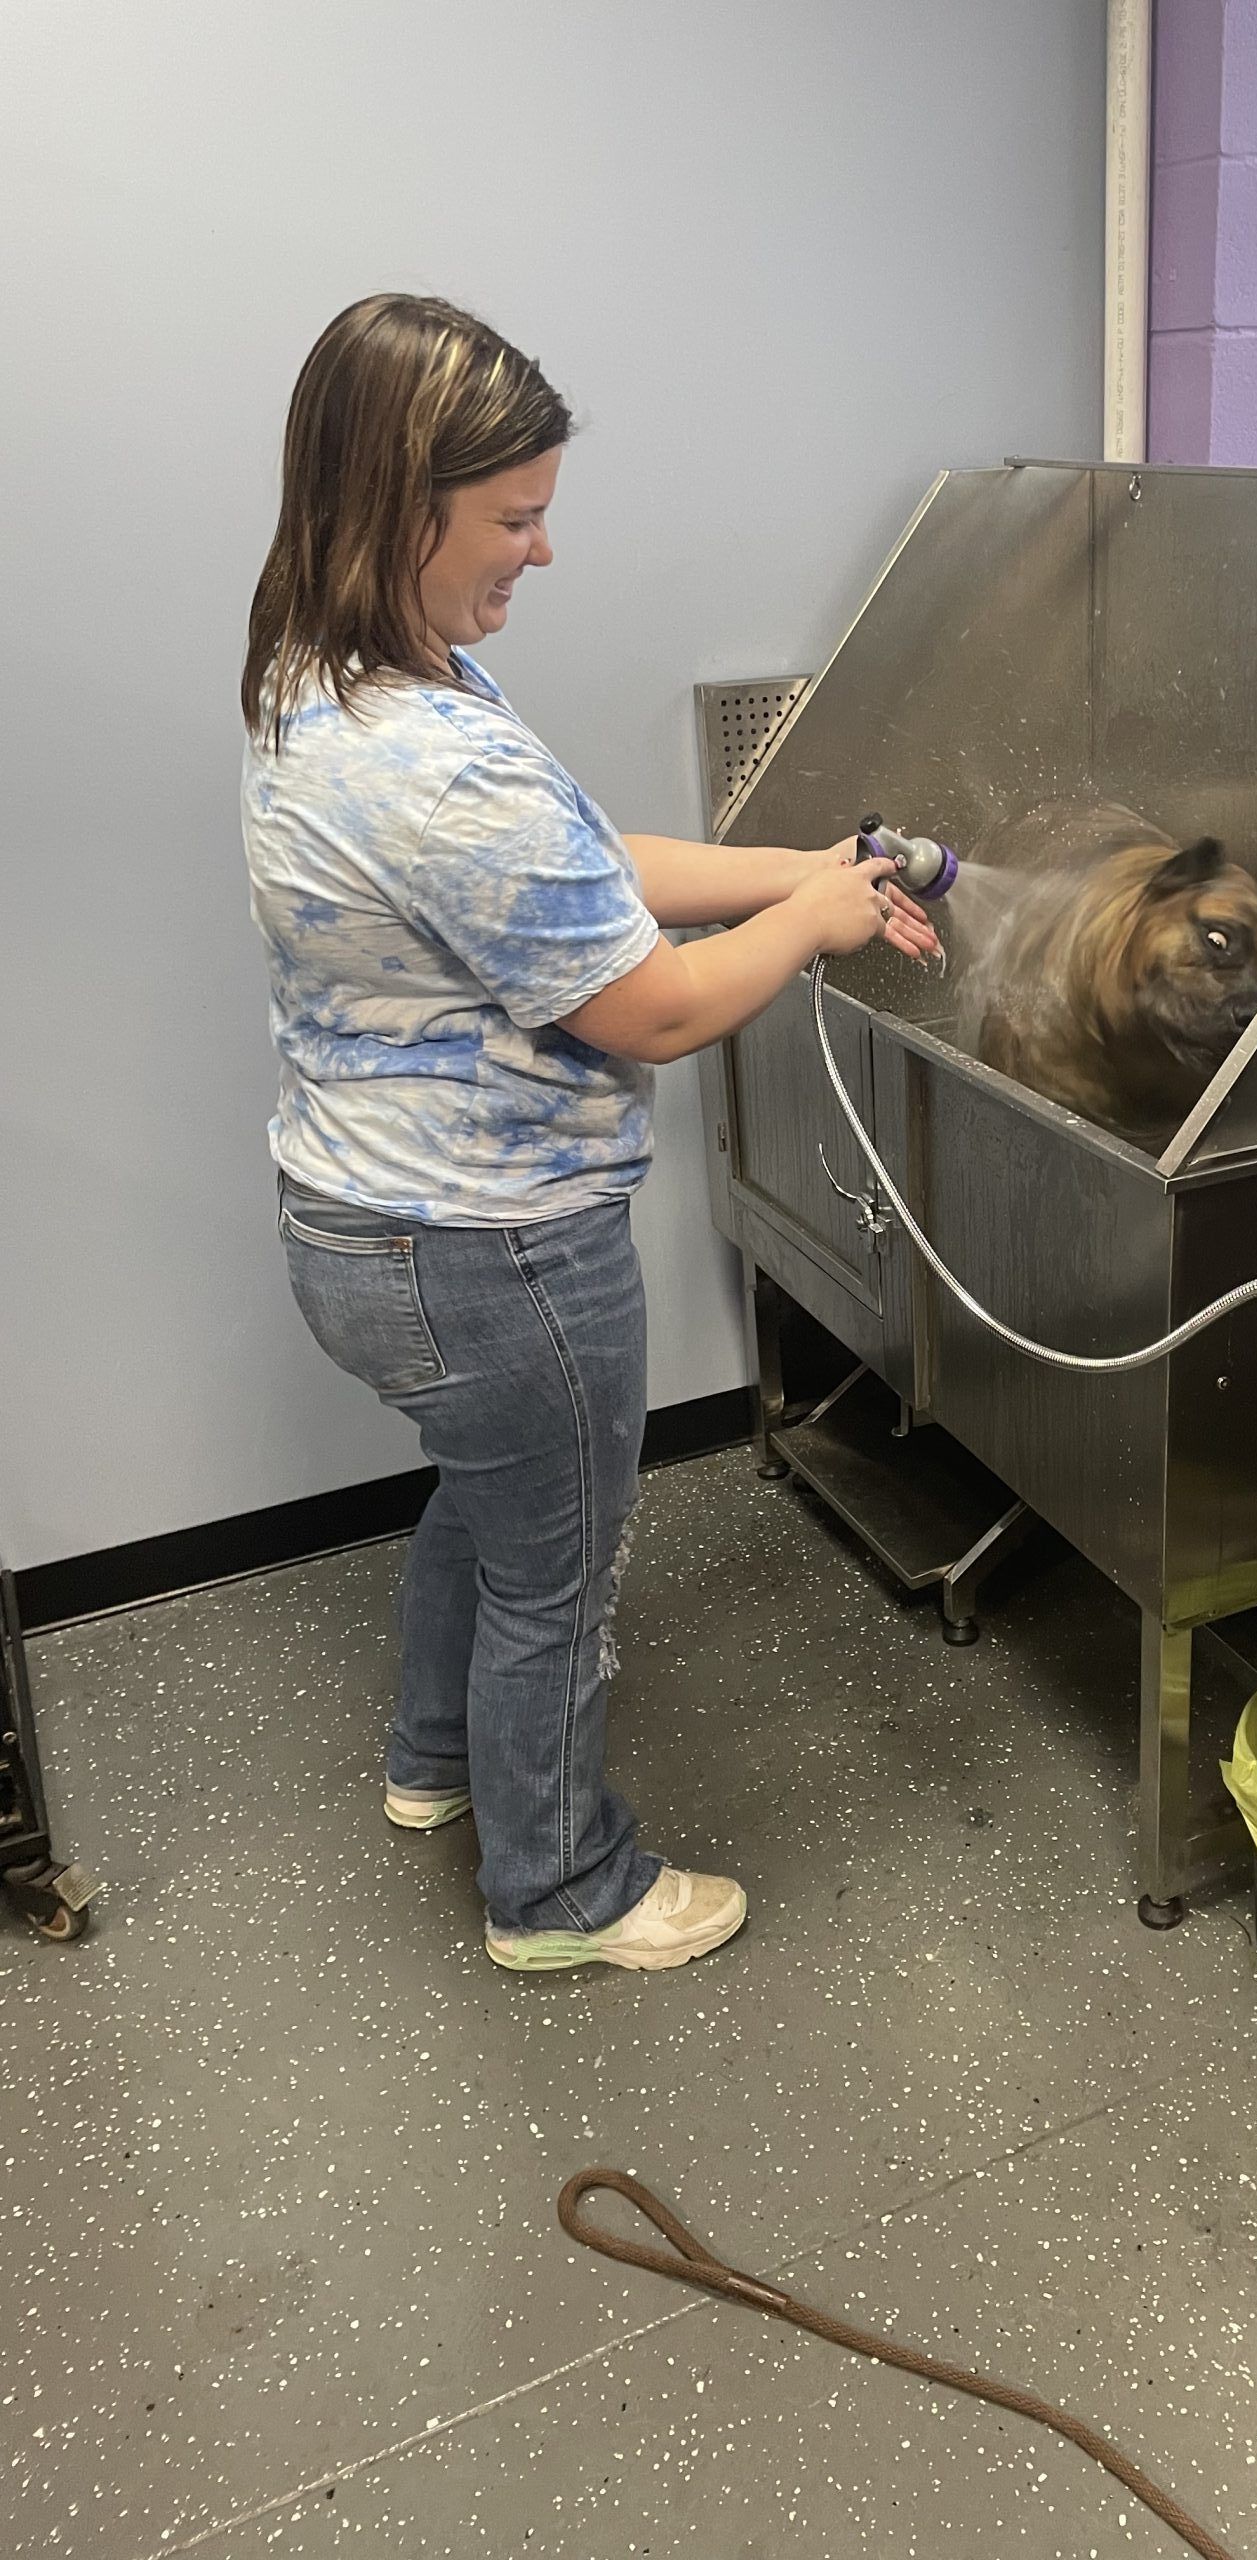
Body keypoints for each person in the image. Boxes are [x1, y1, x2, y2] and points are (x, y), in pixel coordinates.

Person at [240, 293, 937, 1976]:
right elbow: (659, 1012)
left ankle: (431, 1768)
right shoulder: (430, 765)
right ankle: (561, 1892)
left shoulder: (327, 675)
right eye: (516, 517)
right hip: (495, 1252)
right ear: (401, 505)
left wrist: (790, 871)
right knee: (556, 1571)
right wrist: (821, 927)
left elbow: (576, 865)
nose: (543, 552)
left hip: (359, 1219)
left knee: (489, 1505)